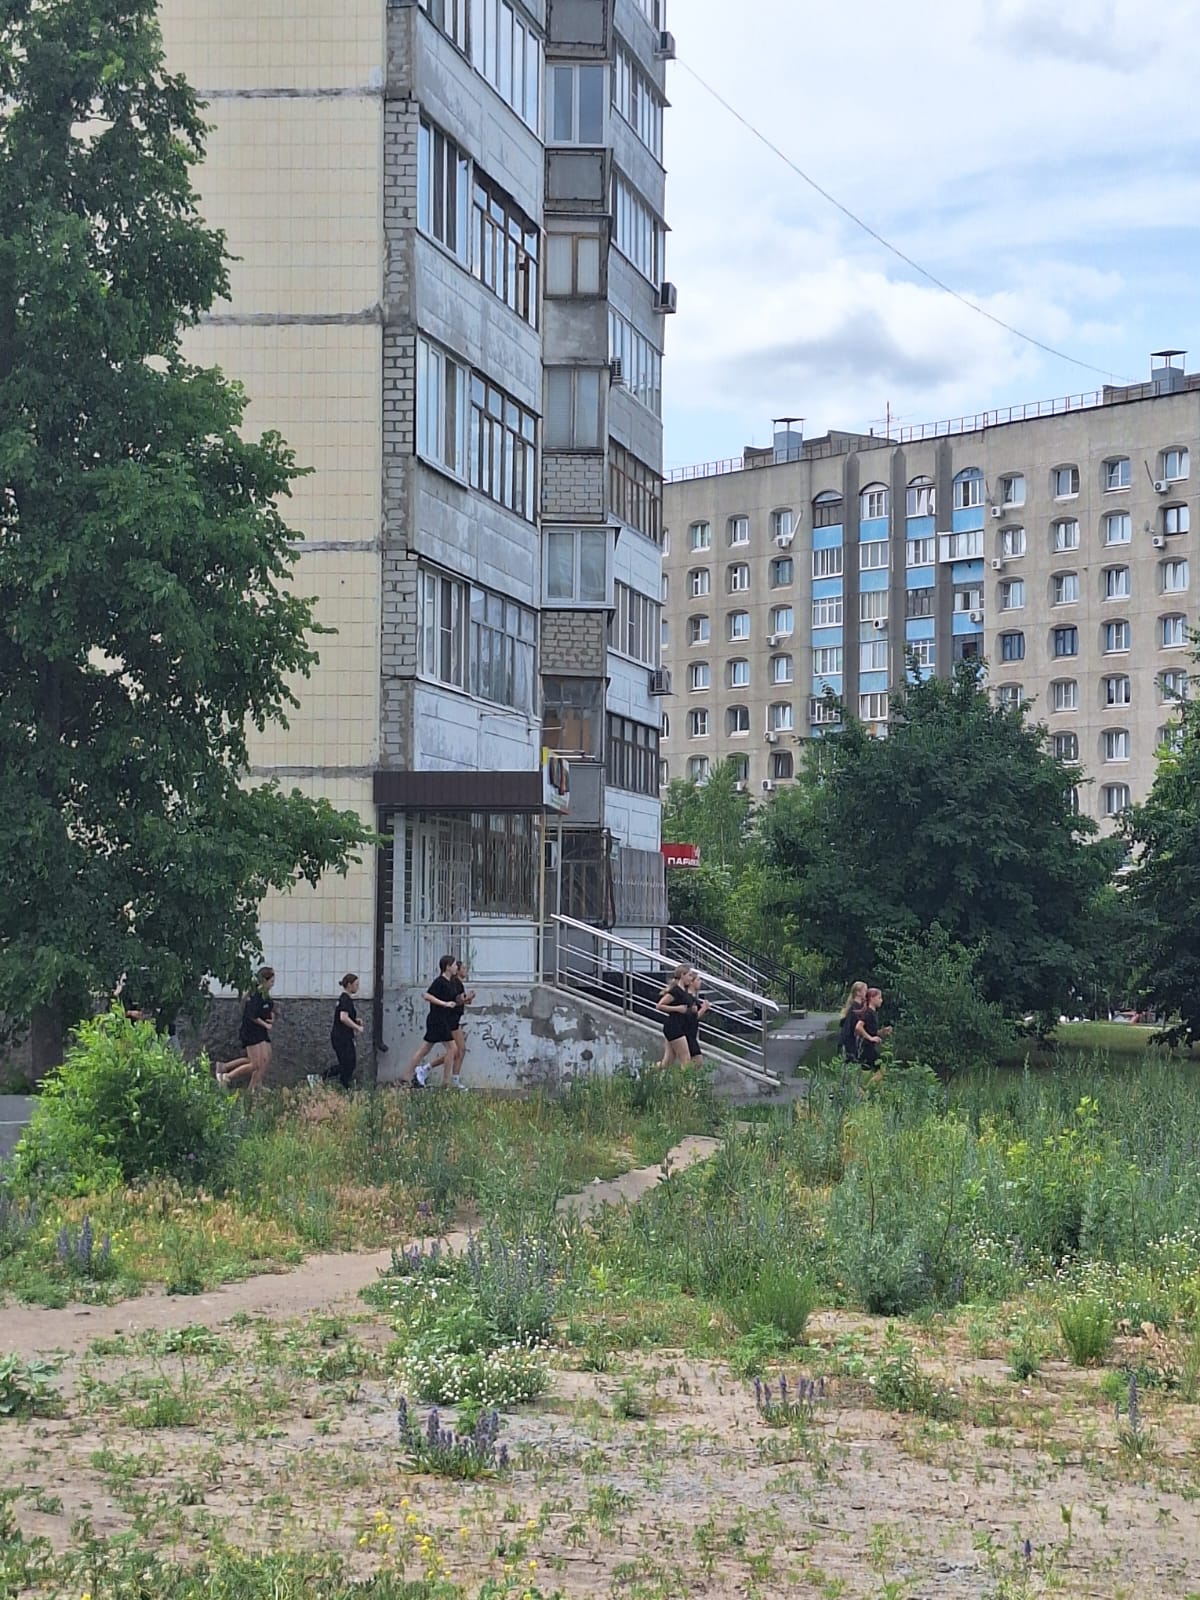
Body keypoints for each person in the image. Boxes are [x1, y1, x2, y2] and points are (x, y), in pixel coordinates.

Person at [402, 956, 460, 1087]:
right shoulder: (439, 982)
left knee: (426, 1049)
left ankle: (406, 1075)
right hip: (437, 1019)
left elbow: (453, 999)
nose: (456, 967)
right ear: (448, 967)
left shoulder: (451, 982)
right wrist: (444, 1003)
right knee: (452, 1048)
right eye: (454, 965)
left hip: (444, 1019)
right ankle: (446, 1082)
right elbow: (427, 995)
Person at [217, 967, 276, 1090]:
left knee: (265, 1058)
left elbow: (267, 1009)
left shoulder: (265, 995)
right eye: (271, 981)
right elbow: (252, 1015)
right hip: (251, 1032)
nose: (273, 984)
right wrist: (266, 1025)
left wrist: (271, 1017)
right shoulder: (255, 995)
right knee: (255, 1064)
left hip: (260, 1031)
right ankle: (227, 1077)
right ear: (264, 981)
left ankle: (255, 1086)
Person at [428, 962, 475, 1090]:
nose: (466, 970)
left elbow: (460, 1001)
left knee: (457, 1051)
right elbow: (455, 1000)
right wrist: (465, 999)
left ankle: (449, 1077)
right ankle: (450, 1079)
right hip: (450, 1020)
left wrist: (468, 999)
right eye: (463, 968)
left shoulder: (458, 984)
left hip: (454, 1019)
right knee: (458, 1050)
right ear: (457, 970)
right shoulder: (455, 983)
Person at [323, 974, 364, 1090]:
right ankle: (327, 1077)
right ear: (349, 985)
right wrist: (357, 1027)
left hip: (342, 1036)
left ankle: (342, 1084)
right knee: (348, 1064)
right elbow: (343, 1018)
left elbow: (345, 1016)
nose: (358, 987)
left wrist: (355, 1020)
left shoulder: (345, 999)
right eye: (356, 985)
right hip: (342, 1038)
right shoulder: (345, 999)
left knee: (348, 1063)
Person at [656, 964, 695, 1064]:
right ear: (682, 975)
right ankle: (686, 1075)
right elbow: (660, 1005)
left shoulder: (684, 991)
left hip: (681, 1026)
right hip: (674, 1026)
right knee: (686, 1059)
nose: (691, 978)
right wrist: (677, 1009)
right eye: (689, 975)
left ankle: (649, 1071)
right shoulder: (675, 991)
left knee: (668, 1060)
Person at [855, 985, 892, 1076]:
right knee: (881, 1070)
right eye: (879, 998)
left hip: (870, 1047)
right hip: (866, 1047)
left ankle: (866, 1085)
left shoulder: (873, 1013)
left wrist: (883, 1031)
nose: (881, 1000)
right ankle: (868, 1085)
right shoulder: (868, 1012)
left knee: (871, 1072)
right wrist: (870, 1038)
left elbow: (872, 1031)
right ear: (872, 998)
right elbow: (858, 1027)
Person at [683, 969, 710, 1066]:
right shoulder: (688, 998)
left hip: (691, 1033)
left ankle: (650, 1070)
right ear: (691, 982)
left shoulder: (694, 998)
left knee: (670, 1060)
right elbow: (691, 1018)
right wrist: (703, 1008)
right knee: (697, 1060)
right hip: (687, 1033)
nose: (700, 982)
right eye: (698, 980)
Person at [838, 981, 868, 1062]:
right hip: (849, 1043)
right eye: (865, 991)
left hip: (848, 1042)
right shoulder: (855, 1009)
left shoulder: (856, 1007)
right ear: (858, 992)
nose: (867, 993)